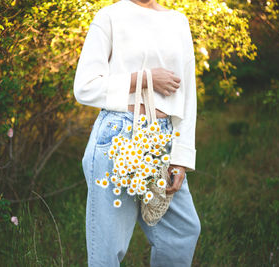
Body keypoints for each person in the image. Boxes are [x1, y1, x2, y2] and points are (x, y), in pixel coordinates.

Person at [73, 0, 201, 266]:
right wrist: (144, 78)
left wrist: (181, 157)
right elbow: (84, 87)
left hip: (163, 139)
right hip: (118, 137)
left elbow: (188, 95)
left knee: (183, 231)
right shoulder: (109, 16)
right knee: (109, 248)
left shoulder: (178, 22)